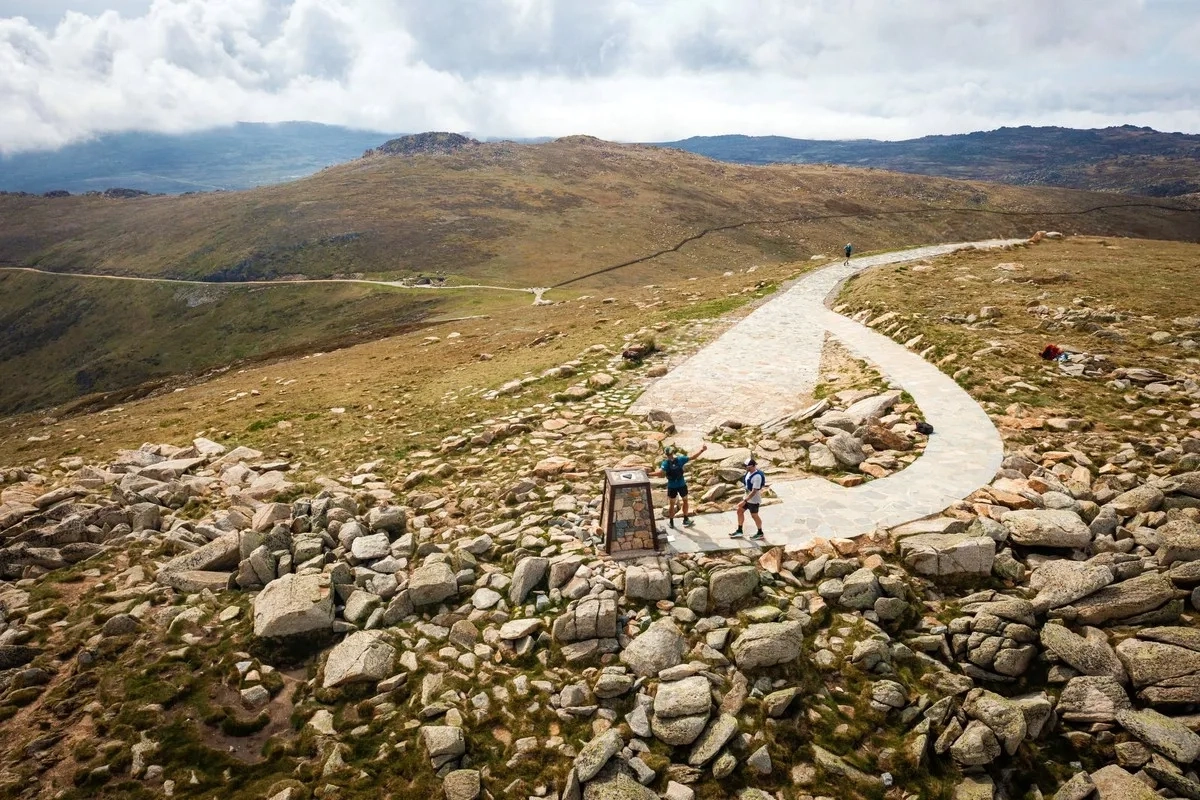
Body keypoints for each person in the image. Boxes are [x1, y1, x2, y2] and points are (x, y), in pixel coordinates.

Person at [654, 443, 707, 528]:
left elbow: (660, 473)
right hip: (681, 484)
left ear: (666, 454)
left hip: (672, 486)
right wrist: (702, 450)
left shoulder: (665, 463)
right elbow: (693, 457)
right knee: (685, 501)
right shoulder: (680, 459)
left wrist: (648, 473)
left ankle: (671, 522)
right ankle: (685, 519)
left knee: (671, 504)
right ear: (673, 452)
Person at [730, 458, 767, 540]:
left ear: (752, 466)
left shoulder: (757, 477)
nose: (745, 467)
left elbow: (754, 492)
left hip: (753, 500)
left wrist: (744, 501)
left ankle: (760, 533)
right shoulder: (749, 472)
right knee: (739, 511)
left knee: (754, 516)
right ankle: (739, 531)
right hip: (747, 497)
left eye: (746, 466)